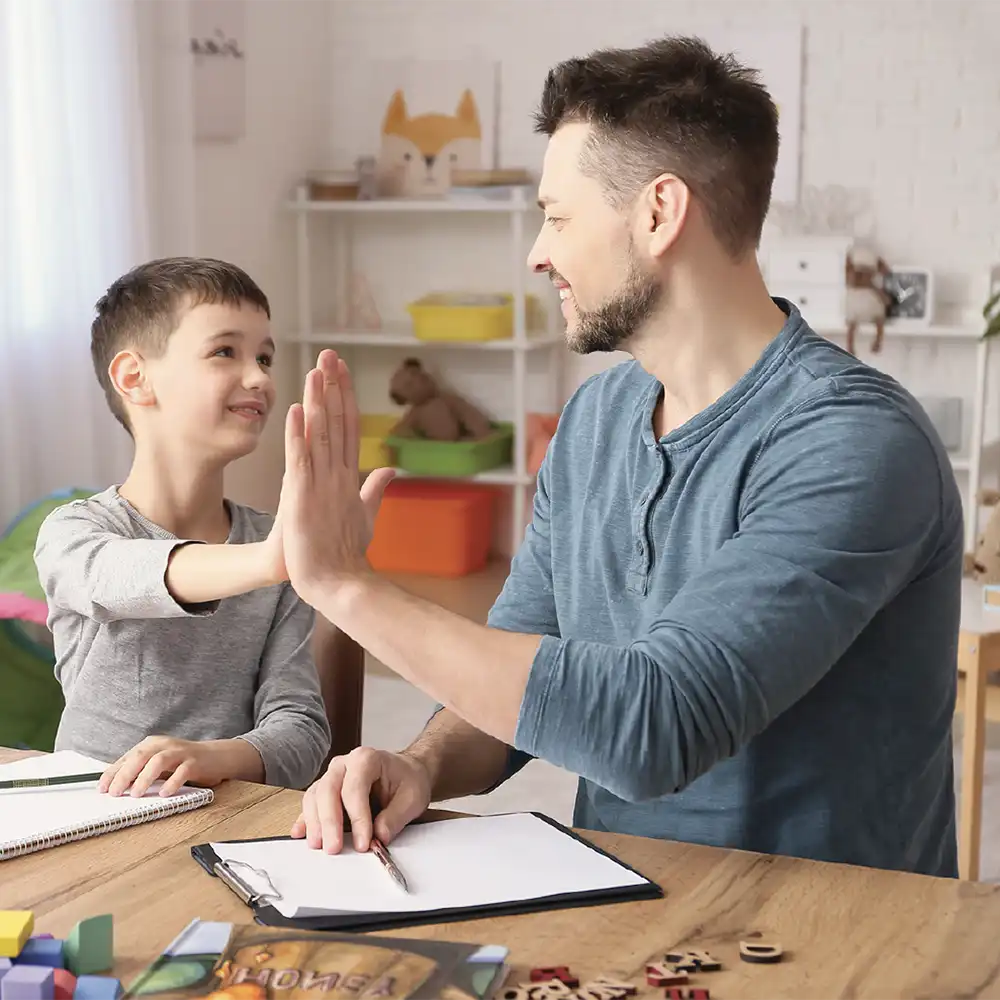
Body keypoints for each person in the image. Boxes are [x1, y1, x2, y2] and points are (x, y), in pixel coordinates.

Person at [278, 36, 963, 877]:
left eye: (558, 217)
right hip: (628, 910)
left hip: (824, 941)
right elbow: (519, 669)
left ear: (658, 213)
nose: (537, 251)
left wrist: (344, 585)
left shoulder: (854, 441)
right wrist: (421, 765)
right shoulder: (596, 417)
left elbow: (655, 726)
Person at [34, 257, 332, 797]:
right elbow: (115, 579)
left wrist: (211, 758)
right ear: (135, 378)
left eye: (265, 357)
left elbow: (303, 734)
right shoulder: (73, 532)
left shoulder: (275, 552)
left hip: (229, 814)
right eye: (225, 352)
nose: (259, 377)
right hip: (88, 821)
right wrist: (268, 561)